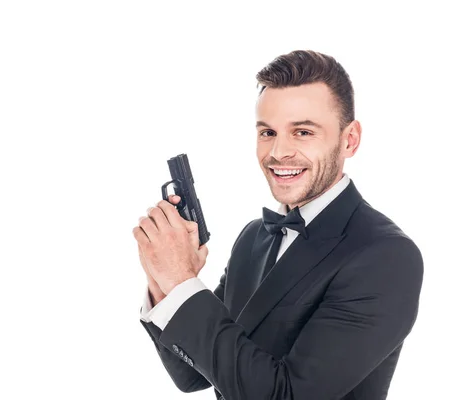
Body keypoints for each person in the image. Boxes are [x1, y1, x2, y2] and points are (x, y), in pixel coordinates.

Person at [132, 50, 423, 400]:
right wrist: (162, 275)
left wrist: (183, 282)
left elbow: (287, 396)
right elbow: (191, 376)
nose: (278, 152)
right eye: (267, 132)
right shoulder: (253, 237)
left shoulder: (386, 256)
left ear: (350, 140)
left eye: (302, 132)